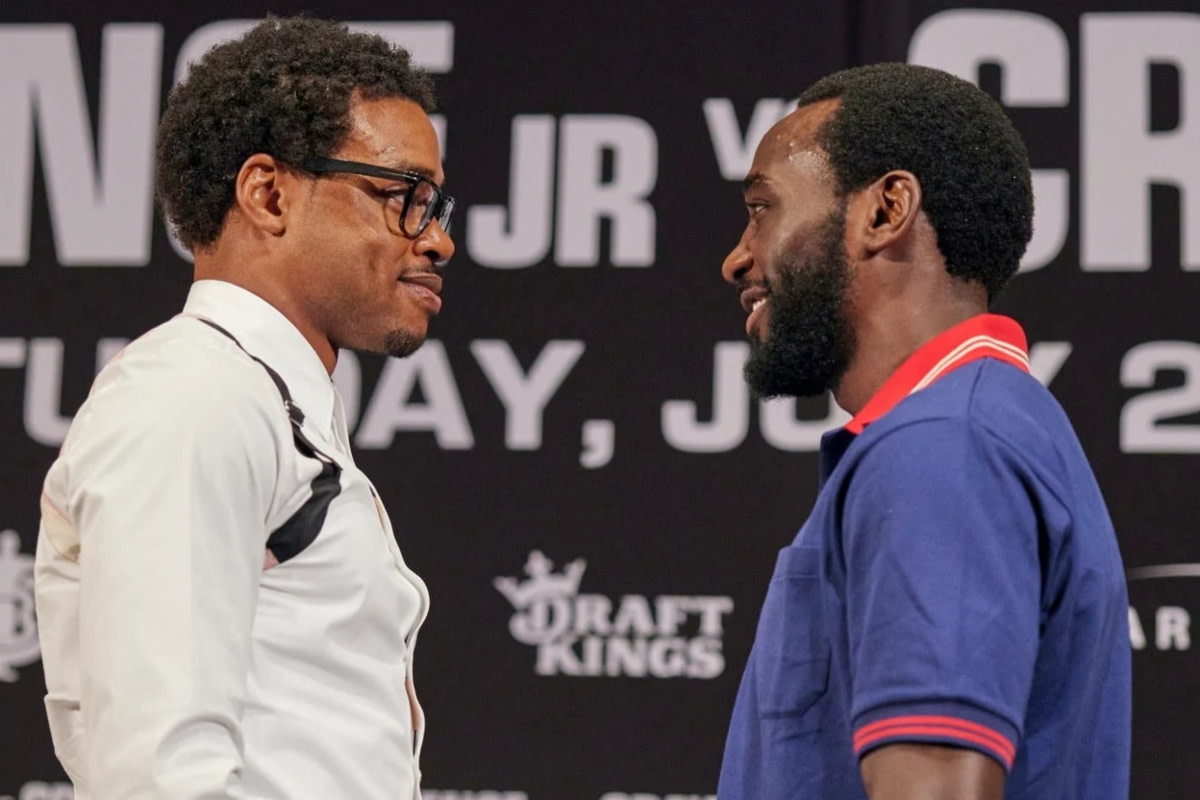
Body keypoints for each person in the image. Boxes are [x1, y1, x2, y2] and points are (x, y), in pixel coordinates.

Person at [33, 16, 455, 800]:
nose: (437, 241)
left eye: (438, 207)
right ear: (268, 194)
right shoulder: (196, 396)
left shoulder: (255, 398)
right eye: (404, 197)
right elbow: (162, 776)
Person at [716, 63, 1130, 800]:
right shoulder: (974, 428)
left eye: (762, 208)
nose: (738, 257)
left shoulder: (942, 449)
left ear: (885, 210)